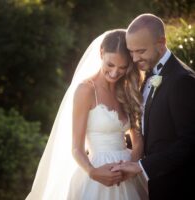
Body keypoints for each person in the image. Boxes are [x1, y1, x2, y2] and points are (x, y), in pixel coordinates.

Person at [26, 29, 148, 200]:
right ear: (101, 53)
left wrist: (131, 166)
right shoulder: (86, 90)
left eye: (122, 67)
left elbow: (138, 140)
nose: (115, 73)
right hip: (97, 172)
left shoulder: (127, 90)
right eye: (110, 65)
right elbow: (76, 148)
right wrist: (93, 172)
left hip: (128, 171)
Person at [111, 14, 195, 200]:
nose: (134, 58)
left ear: (161, 42)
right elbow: (154, 130)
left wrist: (142, 167)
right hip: (154, 186)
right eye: (131, 52)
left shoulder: (182, 81)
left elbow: (189, 143)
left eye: (140, 51)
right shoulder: (147, 75)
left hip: (177, 187)